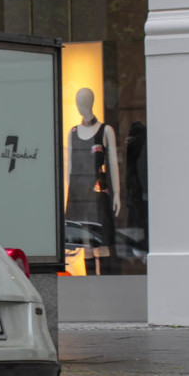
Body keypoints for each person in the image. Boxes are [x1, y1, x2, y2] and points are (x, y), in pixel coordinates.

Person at [65, 87, 120, 274]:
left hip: (98, 186)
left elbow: (112, 164)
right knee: (86, 243)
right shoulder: (72, 132)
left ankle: (105, 281)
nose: (81, 106)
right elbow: (69, 165)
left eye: (83, 101)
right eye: (78, 102)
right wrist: (70, 197)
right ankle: (89, 282)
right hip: (78, 191)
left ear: (90, 103)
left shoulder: (105, 130)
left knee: (101, 240)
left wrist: (117, 194)